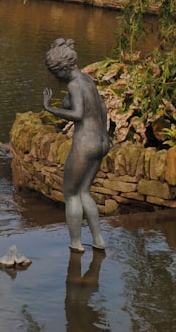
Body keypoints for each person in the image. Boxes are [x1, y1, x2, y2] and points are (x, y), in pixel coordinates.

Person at [43, 38, 110, 252]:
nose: (56, 79)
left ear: (61, 69)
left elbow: (78, 114)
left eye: (55, 74)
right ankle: (98, 239)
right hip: (100, 140)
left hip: (85, 142)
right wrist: (106, 134)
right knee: (84, 192)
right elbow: (103, 107)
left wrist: (50, 108)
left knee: (71, 192)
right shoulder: (87, 80)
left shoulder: (73, 84)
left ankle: (75, 243)